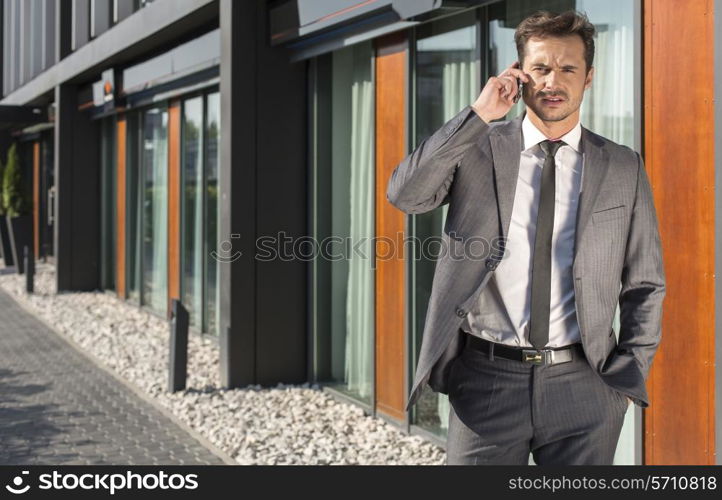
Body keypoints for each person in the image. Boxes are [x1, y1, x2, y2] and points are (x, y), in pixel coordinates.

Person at [386, 10, 665, 465]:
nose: (554, 81)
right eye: (541, 68)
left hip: (585, 385)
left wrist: (628, 372)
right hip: (485, 381)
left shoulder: (622, 166)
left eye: (568, 68)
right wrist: (479, 114)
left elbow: (645, 282)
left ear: (589, 77)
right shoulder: (477, 148)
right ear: (520, 74)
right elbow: (406, 194)